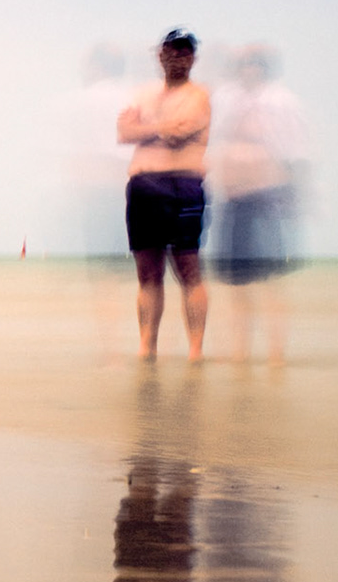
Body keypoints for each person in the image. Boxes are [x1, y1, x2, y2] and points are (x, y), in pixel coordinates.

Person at [209, 44, 309, 363]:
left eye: (254, 63)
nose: (247, 68)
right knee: (237, 282)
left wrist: (296, 201)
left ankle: (276, 355)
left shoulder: (282, 101)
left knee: (270, 281)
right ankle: (241, 355)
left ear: (265, 67)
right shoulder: (229, 99)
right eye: (242, 63)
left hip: (267, 198)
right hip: (233, 200)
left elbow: (297, 153)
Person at [117, 28, 210, 362]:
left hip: (182, 185)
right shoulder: (143, 93)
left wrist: (146, 129)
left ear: (193, 57)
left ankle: (195, 351)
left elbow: (179, 134)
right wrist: (158, 128)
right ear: (161, 54)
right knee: (147, 273)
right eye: (172, 51)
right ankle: (147, 349)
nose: (178, 57)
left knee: (188, 268)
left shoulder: (199, 95)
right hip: (143, 187)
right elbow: (124, 132)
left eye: (185, 52)